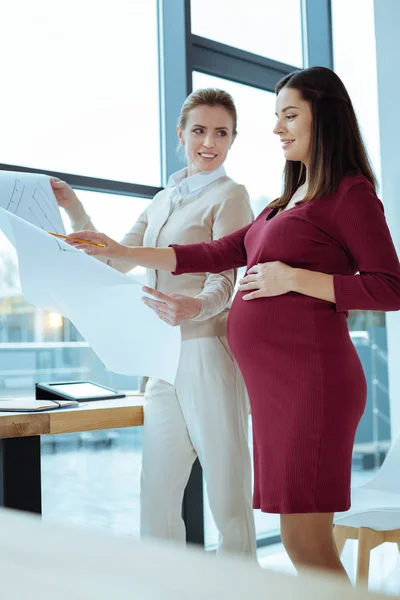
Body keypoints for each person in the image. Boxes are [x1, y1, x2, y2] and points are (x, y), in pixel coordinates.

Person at [67, 67, 400, 575]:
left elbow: (390, 286)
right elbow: (216, 250)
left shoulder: (349, 194)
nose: (277, 129)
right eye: (276, 117)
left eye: (290, 116)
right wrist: (120, 249)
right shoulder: (286, 200)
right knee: (302, 540)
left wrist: (295, 278)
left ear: (326, 119)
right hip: (279, 388)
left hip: (312, 382)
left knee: (303, 541)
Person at [51, 88, 257, 556]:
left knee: (228, 501)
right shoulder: (164, 198)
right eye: (200, 130)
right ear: (180, 134)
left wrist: (195, 307)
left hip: (209, 354)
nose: (209, 142)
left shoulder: (232, 195)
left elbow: (225, 281)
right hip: (162, 362)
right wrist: (73, 208)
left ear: (232, 139)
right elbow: (112, 260)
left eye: (221, 132)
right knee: (157, 496)